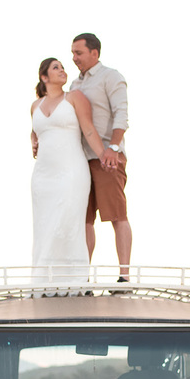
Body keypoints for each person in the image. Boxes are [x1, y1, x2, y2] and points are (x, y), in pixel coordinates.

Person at [30, 57, 110, 294]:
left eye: (63, 67)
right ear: (44, 77)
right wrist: (33, 141)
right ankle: (43, 282)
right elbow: (36, 131)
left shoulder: (74, 97)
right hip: (43, 176)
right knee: (44, 225)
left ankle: (73, 281)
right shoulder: (34, 106)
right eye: (56, 68)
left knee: (67, 220)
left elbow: (89, 129)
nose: (63, 70)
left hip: (71, 172)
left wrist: (104, 156)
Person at [70, 32, 132, 281]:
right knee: (85, 220)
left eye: (79, 53)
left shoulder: (111, 76)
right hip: (80, 160)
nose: (74, 58)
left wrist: (113, 148)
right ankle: (83, 277)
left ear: (94, 53)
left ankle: (124, 276)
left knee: (117, 214)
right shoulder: (74, 85)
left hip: (107, 158)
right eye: (73, 53)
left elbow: (121, 114)